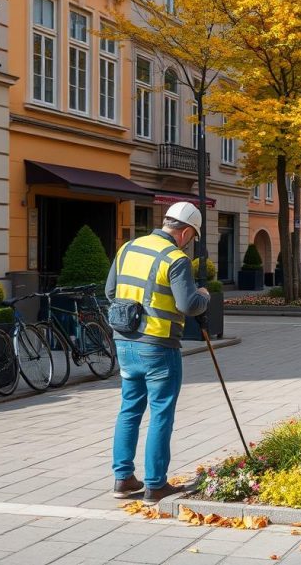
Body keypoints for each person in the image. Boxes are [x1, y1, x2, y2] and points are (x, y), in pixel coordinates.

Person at [106, 201, 210, 503]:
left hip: (125, 342)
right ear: (186, 231)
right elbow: (188, 305)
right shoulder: (176, 259)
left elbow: (110, 293)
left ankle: (123, 478)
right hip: (159, 346)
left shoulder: (128, 248)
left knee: (129, 410)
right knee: (161, 413)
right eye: (192, 236)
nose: (190, 242)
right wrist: (203, 296)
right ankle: (155, 484)